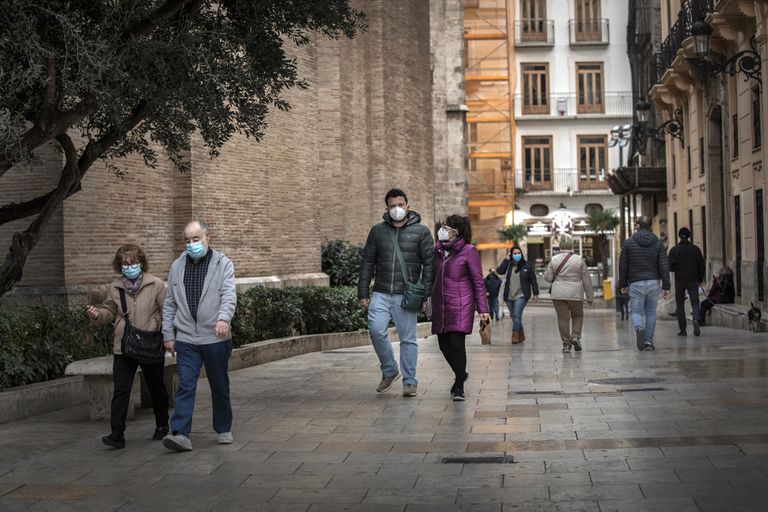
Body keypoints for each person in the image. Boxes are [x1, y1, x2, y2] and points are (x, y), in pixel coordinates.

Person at [161, 220, 237, 452]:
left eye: (196, 239)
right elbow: (170, 303)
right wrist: (168, 334)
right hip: (186, 338)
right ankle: (180, 433)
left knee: (219, 384)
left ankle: (223, 428)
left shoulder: (223, 263)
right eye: (187, 240)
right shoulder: (177, 266)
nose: (191, 244)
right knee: (185, 385)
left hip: (215, 337)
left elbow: (228, 295)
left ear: (207, 237)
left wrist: (223, 319)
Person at [87, 244, 169, 449]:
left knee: (156, 386)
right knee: (121, 390)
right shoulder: (115, 287)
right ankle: (117, 434)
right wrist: (97, 315)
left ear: (141, 263)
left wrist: (161, 330)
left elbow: (168, 311)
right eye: (125, 263)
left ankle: (162, 425)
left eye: (133, 262)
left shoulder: (157, 285)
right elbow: (109, 311)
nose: (129, 266)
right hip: (124, 345)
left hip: (150, 342)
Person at [358, 188, 434, 397]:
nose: (397, 209)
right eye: (393, 206)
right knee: (376, 330)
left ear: (408, 206)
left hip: (406, 294)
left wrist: (427, 295)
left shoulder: (421, 232)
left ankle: (410, 381)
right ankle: (390, 370)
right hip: (381, 292)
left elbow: (429, 265)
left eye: (401, 205)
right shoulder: (377, 231)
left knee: (408, 338)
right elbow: (367, 263)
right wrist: (363, 293)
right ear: (387, 208)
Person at [431, 215, 490, 401]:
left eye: (446, 227)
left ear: (456, 232)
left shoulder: (468, 251)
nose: (443, 229)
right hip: (441, 304)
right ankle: (461, 373)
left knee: (456, 344)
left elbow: (478, 281)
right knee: (443, 345)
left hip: (461, 304)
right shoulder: (438, 251)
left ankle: (459, 387)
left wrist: (483, 309)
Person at [619, 216, 671, 351]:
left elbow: (623, 265)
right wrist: (666, 286)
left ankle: (639, 328)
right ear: (651, 227)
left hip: (636, 282)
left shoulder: (628, 243)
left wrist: (623, 284)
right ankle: (648, 342)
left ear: (638, 226)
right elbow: (664, 265)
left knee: (636, 311)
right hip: (654, 282)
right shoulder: (659, 244)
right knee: (651, 312)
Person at [544, 235, 594, 353]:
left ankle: (566, 345)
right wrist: (590, 296)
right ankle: (575, 336)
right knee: (578, 315)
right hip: (575, 292)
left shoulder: (554, 259)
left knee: (563, 318)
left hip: (558, 293)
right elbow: (586, 279)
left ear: (560, 245)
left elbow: (548, 277)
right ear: (572, 245)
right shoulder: (579, 259)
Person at [496, 245, 539, 344]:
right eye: (514, 253)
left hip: (522, 294)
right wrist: (506, 259)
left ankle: (515, 336)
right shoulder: (509, 265)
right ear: (511, 255)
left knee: (516, 314)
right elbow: (499, 271)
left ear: (521, 254)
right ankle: (521, 335)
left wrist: (535, 293)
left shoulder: (527, 266)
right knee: (515, 316)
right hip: (509, 295)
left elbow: (533, 280)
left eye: (518, 253)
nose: (517, 255)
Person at [667, 227, 705, 336]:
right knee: (695, 301)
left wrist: (676, 268)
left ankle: (683, 329)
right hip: (693, 280)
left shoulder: (674, 250)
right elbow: (701, 265)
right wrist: (700, 278)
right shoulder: (696, 249)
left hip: (679, 280)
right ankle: (696, 318)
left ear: (679, 236)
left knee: (680, 304)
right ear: (689, 236)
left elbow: (670, 266)